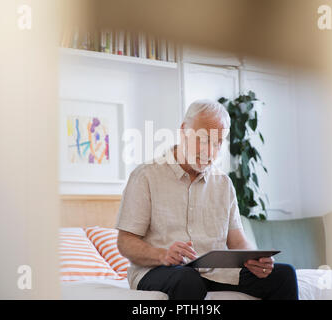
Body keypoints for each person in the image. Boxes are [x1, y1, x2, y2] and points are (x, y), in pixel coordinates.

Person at [116, 99, 298, 300]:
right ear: (184, 130)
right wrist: (162, 254)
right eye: (202, 139)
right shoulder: (145, 176)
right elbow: (125, 242)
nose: (209, 152)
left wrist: (255, 260)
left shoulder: (223, 183)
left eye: (217, 142)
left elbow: (237, 241)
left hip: (214, 272)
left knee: (284, 274)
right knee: (187, 278)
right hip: (159, 270)